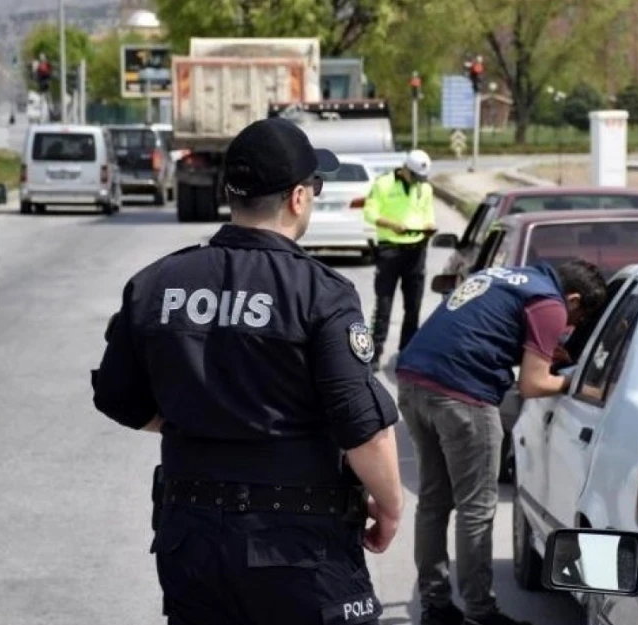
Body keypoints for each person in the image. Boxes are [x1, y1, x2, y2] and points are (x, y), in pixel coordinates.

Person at [90, 116, 404, 625]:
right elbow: (362, 427)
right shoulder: (321, 293)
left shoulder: (155, 283)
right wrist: (390, 507)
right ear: (298, 198)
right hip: (298, 549)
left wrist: (198, 420)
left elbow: (117, 397)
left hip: (190, 539)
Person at [395, 260, 609, 625]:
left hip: (414, 382)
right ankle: (481, 611)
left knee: (433, 501)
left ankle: (437, 606)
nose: (570, 327)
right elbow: (533, 385)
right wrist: (579, 382)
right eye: (578, 317)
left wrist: (530, 350)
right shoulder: (549, 303)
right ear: (573, 299)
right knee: (476, 508)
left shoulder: (504, 276)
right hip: (463, 397)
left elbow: (480, 331)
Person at [362, 149, 436, 371]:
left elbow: (428, 214)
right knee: (383, 304)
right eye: (414, 176)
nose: (417, 182)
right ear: (405, 169)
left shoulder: (425, 188)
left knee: (413, 306)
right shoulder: (383, 184)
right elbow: (370, 212)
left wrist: (429, 226)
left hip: (417, 249)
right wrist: (390, 224)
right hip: (390, 250)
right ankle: (374, 354)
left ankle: (407, 353)